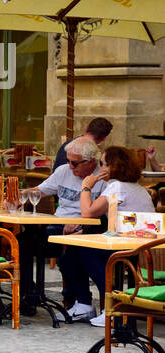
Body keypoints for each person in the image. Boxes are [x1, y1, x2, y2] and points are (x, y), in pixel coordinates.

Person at [77, 146, 157, 327]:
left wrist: (86, 187)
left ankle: (112, 307)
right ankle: (112, 305)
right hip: (144, 248)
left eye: (102, 164)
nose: (99, 168)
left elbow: (87, 212)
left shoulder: (116, 187)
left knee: (84, 253)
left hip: (127, 246)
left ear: (112, 166)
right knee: (84, 250)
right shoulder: (138, 188)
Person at [35, 136, 105, 320]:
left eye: (75, 163)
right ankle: (28, 295)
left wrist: (81, 222)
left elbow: (104, 214)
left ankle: (82, 302)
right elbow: (39, 191)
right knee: (25, 242)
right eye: (68, 161)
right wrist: (18, 194)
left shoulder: (102, 178)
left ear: (90, 162)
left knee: (74, 253)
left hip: (88, 229)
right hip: (58, 225)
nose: (70, 167)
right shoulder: (63, 171)